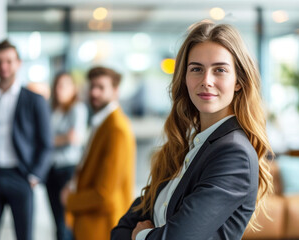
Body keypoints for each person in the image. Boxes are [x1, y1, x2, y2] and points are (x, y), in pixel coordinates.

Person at [111, 22, 273, 240]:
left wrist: (140, 236)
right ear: (185, 78)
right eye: (196, 69)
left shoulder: (234, 153)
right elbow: (123, 227)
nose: (206, 81)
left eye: (220, 70)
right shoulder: (188, 145)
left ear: (238, 81)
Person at [0, 39, 52, 240]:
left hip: (21, 176)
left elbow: (46, 144)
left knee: (24, 236)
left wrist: (34, 176)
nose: (3, 67)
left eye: (8, 61)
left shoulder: (34, 100)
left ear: (18, 63)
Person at [61, 66, 136, 240]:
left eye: (101, 88)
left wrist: (70, 200)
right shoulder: (102, 122)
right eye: (92, 87)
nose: (94, 93)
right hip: (90, 224)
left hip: (102, 227)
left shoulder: (116, 129)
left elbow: (104, 195)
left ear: (115, 91)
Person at [46, 72, 88, 240]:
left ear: (73, 88)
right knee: (57, 222)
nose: (59, 90)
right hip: (51, 170)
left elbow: (74, 138)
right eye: (57, 85)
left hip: (68, 170)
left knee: (66, 222)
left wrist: (49, 140)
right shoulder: (52, 109)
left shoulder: (77, 108)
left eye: (64, 86)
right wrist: (60, 138)